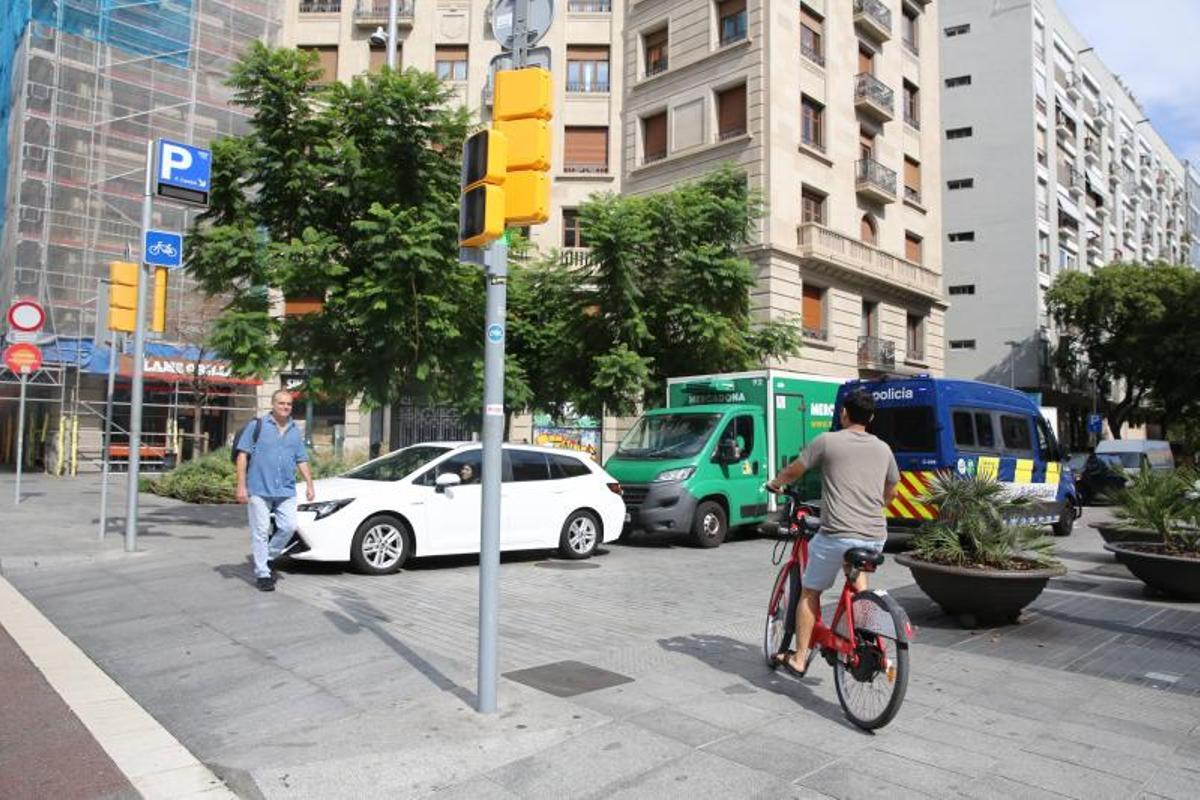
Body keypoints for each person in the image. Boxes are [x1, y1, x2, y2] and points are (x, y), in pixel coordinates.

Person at [765, 388, 899, 678]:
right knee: (857, 582)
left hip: (838, 533)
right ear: (871, 417)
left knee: (810, 592)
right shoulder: (883, 448)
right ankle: (864, 630)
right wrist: (875, 508)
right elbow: (891, 490)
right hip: (875, 535)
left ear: (844, 414)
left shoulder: (828, 441)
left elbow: (795, 470)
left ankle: (799, 658)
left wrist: (775, 484)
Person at [235, 389, 315, 592]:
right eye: (281, 403)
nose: (286, 407)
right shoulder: (257, 426)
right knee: (260, 531)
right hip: (259, 489)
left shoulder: (295, 430)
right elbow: (242, 455)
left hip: (285, 489)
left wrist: (310, 484)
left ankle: (267, 557)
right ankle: (263, 574)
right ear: (273, 404)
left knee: (289, 526)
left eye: (289, 404)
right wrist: (241, 485)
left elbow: (302, 459)